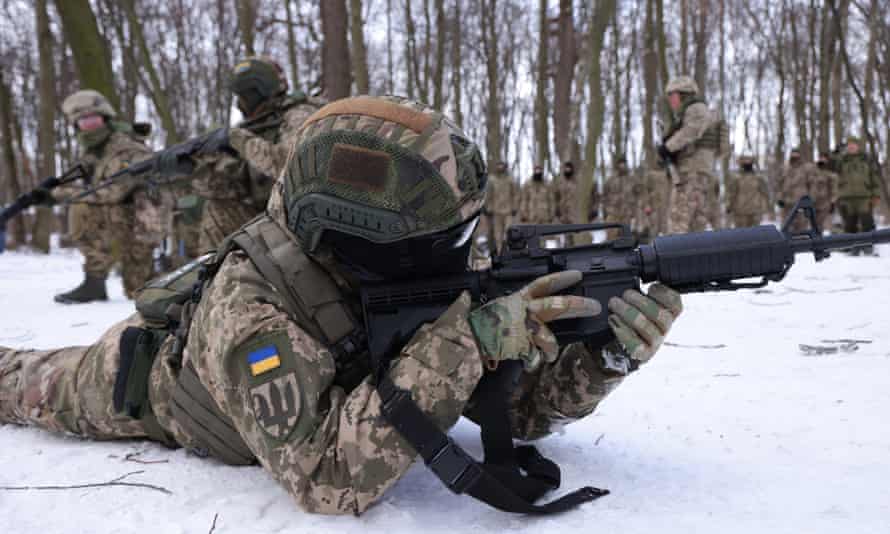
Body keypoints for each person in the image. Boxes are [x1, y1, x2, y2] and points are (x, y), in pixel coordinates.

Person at [0, 96, 683, 515]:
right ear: (369, 235)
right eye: (449, 240)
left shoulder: (403, 259)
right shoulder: (250, 313)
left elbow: (516, 409)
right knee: (25, 380)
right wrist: (467, 341)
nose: (462, 255)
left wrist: (602, 358)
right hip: (149, 381)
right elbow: (327, 477)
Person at [183, 57, 325, 251]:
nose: (239, 105)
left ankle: (216, 277)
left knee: (217, 214)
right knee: (217, 208)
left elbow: (287, 163)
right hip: (279, 214)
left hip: (306, 218)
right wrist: (197, 166)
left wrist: (237, 139)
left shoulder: (298, 114)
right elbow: (236, 187)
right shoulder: (262, 126)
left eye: (242, 97)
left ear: (256, 93)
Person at [50, 90, 167, 303]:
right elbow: (71, 179)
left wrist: (62, 193)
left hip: (143, 228)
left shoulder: (126, 148)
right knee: (82, 205)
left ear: (105, 119)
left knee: (141, 292)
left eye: (94, 120)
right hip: (124, 222)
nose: (90, 127)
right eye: (83, 122)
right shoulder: (95, 152)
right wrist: (49, 190)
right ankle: (94, 282)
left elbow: (113, 192)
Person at [658, 76, 718, 233]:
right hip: (693, 174)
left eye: (673, 95)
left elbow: (691, 131)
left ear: (683, 95)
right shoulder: (688, 113)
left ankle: (675, 256)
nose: (670, 100)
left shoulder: (696, 109)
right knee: (695, 224)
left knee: (679, 221)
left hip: (691, 174)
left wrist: (668, 147)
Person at [833, 136, 881, 254]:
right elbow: (831, 166)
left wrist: (876, 195)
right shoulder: (842, 160)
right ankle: (852, 246)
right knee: (850, 223)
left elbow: (874, 178)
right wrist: (836, 153)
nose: (851, 147)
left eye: (853, 144)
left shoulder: (866, 159)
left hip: (864, 196)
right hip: (847, 197)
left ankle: (868, 245)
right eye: (849, 145)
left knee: (867, 221)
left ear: (858, 146)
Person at [779, 147, 822, 232]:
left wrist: (811, 200)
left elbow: (813, 185)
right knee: (785, 228)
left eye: (796, 153)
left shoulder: (807, 168)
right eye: (793, 153)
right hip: (787, 204)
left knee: (801, 229)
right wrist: (780, 198)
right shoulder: (786, 168)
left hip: (801, 203)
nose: (794, 156)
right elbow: (780, 185)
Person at [484, 161, 518, 254]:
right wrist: (487, 208)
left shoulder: (510, 179)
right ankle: (500, 254)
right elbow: (488, 195)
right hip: (496, 212)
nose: (500, 167)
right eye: (498, 165)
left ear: (505, 167)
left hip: (508, 211)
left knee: (508, 234)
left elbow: (515, 194)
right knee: (497, 235)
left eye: (502, 165)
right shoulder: (492, 180)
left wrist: (515, 207)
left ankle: (509, 253)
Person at [726, 155, 769, 228]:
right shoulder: (736, 178)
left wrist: (766, 207)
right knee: (741, 234)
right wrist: (729, 206)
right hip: (740, 212)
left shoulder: (758, 178)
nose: (747, 165)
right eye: (745, 163)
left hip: (755, 212)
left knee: (754, 234)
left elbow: (765, 193)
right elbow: (732, 194)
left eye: (749, 163)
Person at [814, 151, 839, 233]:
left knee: (830, 225)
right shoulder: (814, 171)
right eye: (821, 158)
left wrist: (833, 201)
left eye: (824, 158)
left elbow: (834, 189)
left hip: (826, 203)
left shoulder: (830, 173)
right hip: (814, 202)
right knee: (815, 226)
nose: (822, 160)